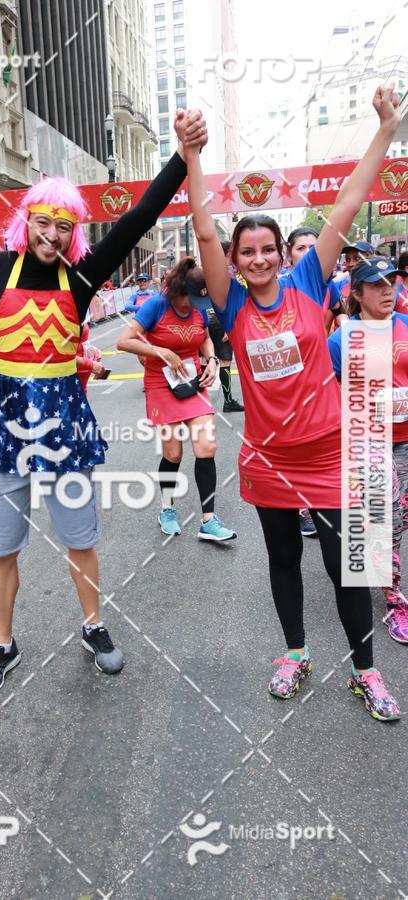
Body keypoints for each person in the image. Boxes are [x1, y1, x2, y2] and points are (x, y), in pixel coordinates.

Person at [0, 122, 205, 696]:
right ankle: (3, 643)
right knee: (1, 547)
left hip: (67, 429)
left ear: (74, 234)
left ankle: (93, 625)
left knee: (80, 538)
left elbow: (139, 219)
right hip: (3, 429)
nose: (52, 233)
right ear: (26, 220)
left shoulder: (81, 274)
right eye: (44, 221)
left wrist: (182, 156)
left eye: (64, 225)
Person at [181, 86, 402, 721]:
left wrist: (386, 131)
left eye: (266, 250)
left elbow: (350, 200)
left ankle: (364, 670)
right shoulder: (231, 302)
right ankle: (296, 652)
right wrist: (191, 155)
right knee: (284, 561)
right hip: (268, 460)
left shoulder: (309, 282)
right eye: (244, 251)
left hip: (331, 454)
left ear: (283, 254)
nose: (256, 259)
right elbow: (202, 228)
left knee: (348, 568)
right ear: (235, 259)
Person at [117, 257, 237, 541]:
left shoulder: (199, 308)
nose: (195, 307)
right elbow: (124, 341)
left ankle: (208, 520)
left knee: (206, 446)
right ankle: (167, 508)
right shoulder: (156, 305)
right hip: (161, 384)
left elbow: (204, 337)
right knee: (173, 453)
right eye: (190, 301)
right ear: (176, 293)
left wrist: (210, 359)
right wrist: (162, 352)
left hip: (192, 382)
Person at [328, 256, 408, 644]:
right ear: (356, 294)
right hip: (368, 442)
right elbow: (327, 395)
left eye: (391, 281)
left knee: (398, 520)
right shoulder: (342, 338)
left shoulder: (407, 326)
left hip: (406, 439)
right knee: (385, 519)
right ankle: (394, 598)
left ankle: (377, 570)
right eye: (376, 284)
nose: (388, 290)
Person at [283, 226, 348, 539]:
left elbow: (341, 313)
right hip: (289, 377)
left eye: (314, 246)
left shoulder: (327, 285)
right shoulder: (279, 287)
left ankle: (324, 501)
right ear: (289, 253)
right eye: (301, 248)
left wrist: (341, 337)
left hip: (323, 371)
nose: (309, 252)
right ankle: (300, 506)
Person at [206, 241, 244, 413]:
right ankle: (228, 401)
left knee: (206, 359)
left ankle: (202, 401)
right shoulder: (228, 271)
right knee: (225, 361)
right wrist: (231, 327)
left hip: (206, 319)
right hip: (222, 321)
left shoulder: (207, 269)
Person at [76, 322, 106, 393]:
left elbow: (82, 340)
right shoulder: (59, 317)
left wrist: (92, 350)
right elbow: (59, 355)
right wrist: (90, 364)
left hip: (81, 381)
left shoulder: (77, 313)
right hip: (68, 379)